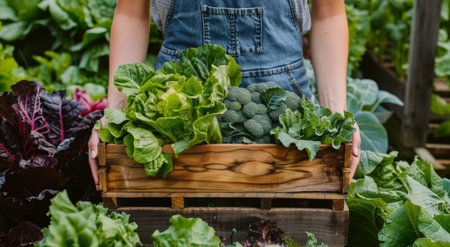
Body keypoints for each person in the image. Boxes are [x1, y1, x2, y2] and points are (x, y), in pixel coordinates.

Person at [88, 0, 361, 189]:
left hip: (285, 113)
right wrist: (116, 112)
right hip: (178, 112)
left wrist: (335, 115)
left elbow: (329, 12)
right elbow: (131, 12)